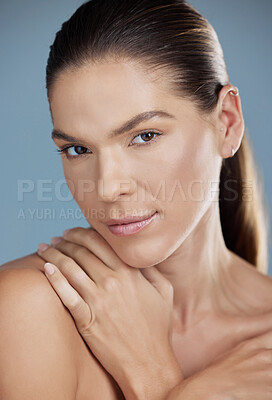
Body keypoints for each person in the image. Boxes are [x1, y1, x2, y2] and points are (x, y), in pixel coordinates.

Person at [1, 0, 272, 399]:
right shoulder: (27, 310)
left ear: (226, 123)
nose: (108, 188)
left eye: (144, 136)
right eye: (78, 149)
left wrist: (155, 378)